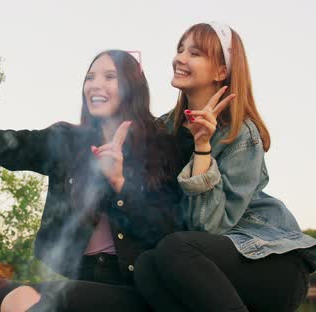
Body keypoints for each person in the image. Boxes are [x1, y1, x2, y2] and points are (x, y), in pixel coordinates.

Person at [0, 47, 185, 311]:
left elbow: (166, 231)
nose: (95, 85)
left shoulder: (163, 147)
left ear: (132, 86)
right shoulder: (68, 141)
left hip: (133, 291)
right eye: (90, 77)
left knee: (25, 302)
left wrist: (120, 182)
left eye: (110, 76)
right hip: (78, 281)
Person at [133, 22, 316, 312]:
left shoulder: (240, 133)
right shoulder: (164, 129)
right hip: (201, 267)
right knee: (145, 267)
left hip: (267, 262)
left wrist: (203, 146)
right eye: (180, 49)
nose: (179, 58)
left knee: (173, 249)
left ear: (221, 72)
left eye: (194, 53)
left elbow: (208, 227)